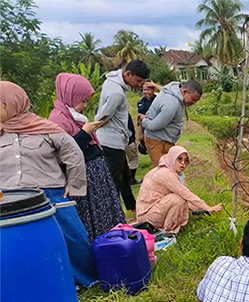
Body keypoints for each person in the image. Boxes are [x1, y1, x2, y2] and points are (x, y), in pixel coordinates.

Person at [0, 81, 97, 287]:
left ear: (11, 103)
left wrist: (75, 184)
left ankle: (88, 281)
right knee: (23, 244)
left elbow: (73, 155)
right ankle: (43, 285)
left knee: (72, 238)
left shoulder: (45, 128)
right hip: (10, 200)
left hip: (50, 195)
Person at [49, 73, 126, 243]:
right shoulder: (58, 120)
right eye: (82, 101)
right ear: (70, 95)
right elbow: (64, 154)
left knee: (105, 213)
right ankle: (100, 251)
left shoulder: (73, 116)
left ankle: (115, 245)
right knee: (92, 218)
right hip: (83, 178)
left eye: (86, 101)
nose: (84, 106)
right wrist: (85, 132)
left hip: (95, 174)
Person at [95, 59, 150, 219]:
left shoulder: (112, 83)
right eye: (138, 80)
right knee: (114, 181)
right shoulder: (116, 93)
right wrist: (92, 130)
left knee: (125, 177)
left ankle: (133, 209)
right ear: (127, 74)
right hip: (110, 142)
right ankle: (112, 216)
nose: (140, 84)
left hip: (118, 140)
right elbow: (102, 116)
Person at [136, 146, 222, 233]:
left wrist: (200, 209)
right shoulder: (166, 173)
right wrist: (207, 207)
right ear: (172, 158)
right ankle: (168, 232)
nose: (183, 163)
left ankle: (163, 229)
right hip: (147, 217)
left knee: (179, 198)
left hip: (150, 213)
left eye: (186, 161)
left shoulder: (168, 170)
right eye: (179, 159)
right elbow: (185, 193)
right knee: (178, 199)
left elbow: (186, 197)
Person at [140, 80, 202, 167]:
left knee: (171, 169)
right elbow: (155, 125)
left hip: (165, 140)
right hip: (157, 141)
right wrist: (144, 122)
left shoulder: (176, 94)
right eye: (193, 99)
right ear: (184, 92)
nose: (193, 103)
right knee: (163, 172)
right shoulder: (172, 104)